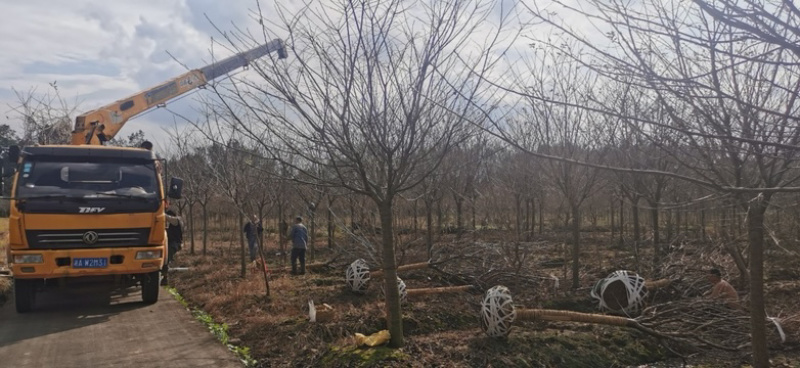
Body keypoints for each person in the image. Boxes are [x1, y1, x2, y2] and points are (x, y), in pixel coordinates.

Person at [161, 208, 183, 286]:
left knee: (166, 260)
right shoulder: (176, 222)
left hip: (174, 244)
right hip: (174, 243)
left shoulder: (176, 220)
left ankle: (165, 278)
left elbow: (167, 217)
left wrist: (160, 213)